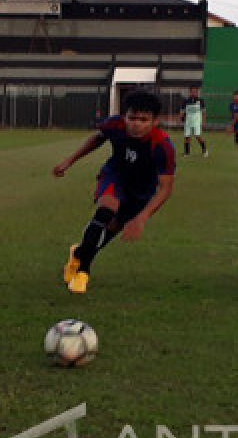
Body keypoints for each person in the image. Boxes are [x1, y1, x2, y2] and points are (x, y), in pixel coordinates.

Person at [53, 90, 177, 294]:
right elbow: (97, 139)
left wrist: (142, 218)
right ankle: (83, 272)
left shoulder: (162, 145)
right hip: (115, 176)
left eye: (143, 120)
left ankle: (79, 253)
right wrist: (69, 161)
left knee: (108, 232)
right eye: (131, 118)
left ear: (155, 121)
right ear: (124, 116)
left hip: (141, 190)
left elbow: (166, 188)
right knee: (105, 213)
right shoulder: (115, 125)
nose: (136, 124)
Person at [179, 85, 208, 157]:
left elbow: (204, 112)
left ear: (197, 92)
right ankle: (187, 153)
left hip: (197, 122)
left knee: (198, 136)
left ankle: (204, 151)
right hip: (188, 121)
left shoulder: (200, 101)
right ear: (190, 92)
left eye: (195, 91)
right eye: (192, 91)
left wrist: (204, 122)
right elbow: (182, 111)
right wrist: (181, 118)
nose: (193, 93)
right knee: (187, 136)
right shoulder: (185, 101)